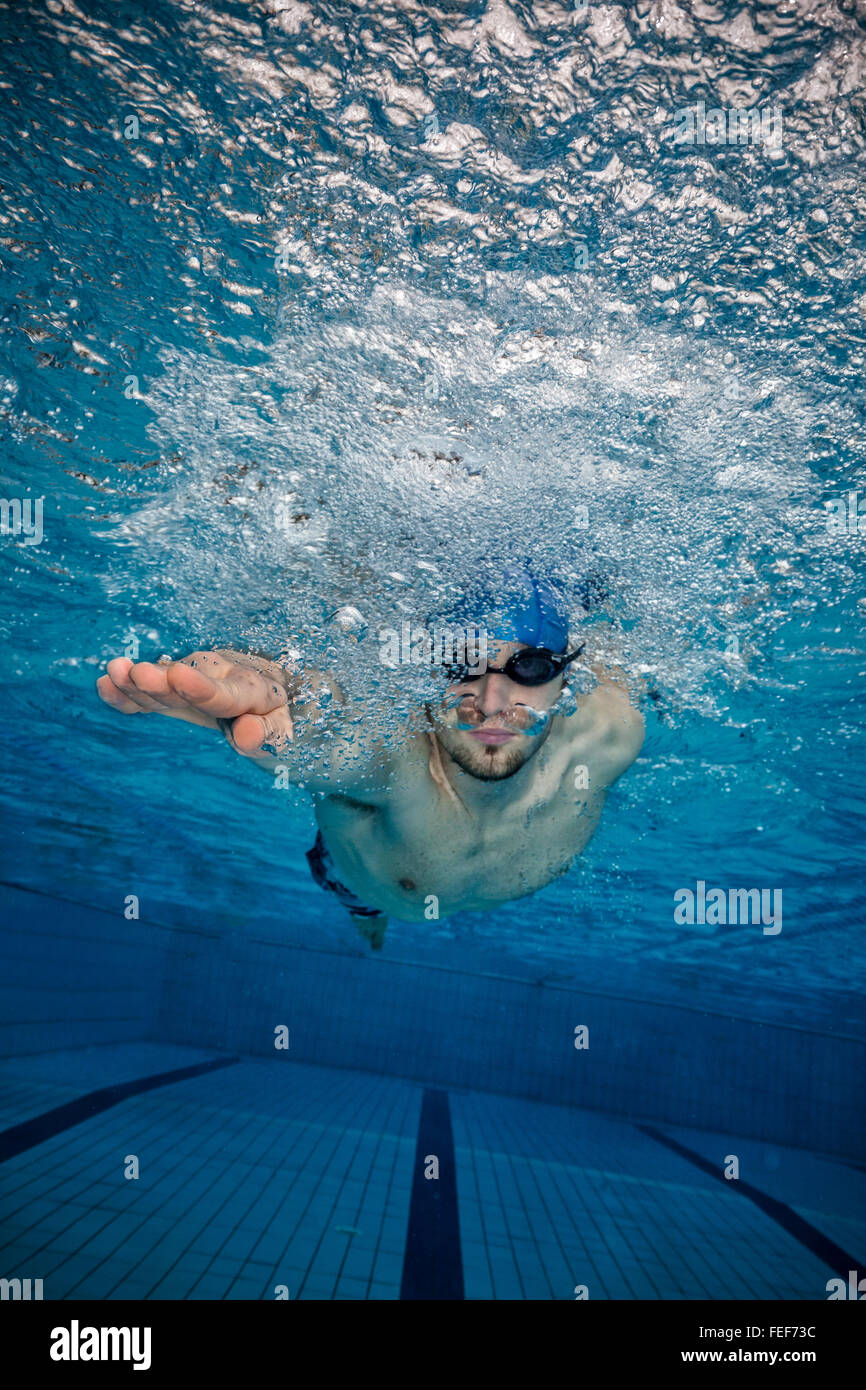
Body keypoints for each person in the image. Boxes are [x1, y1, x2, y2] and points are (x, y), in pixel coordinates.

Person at [97, 566, 644, 950]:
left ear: (569, 674)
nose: (492, 704)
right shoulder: (401, 763)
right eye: (461, 664)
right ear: (429, 667)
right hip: (360, 879)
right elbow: (335, 741)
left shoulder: (612, 736)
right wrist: (276, 699)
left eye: (529, 669)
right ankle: (364, 915)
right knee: (364, 912)